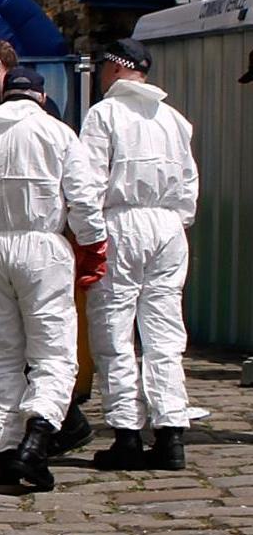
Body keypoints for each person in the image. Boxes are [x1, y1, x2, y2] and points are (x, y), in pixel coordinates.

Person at [0, 67, 107, 492]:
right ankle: (39, 433)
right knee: (53, 349)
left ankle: (7, 448)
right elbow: (84, 199)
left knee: (0, 351)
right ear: (42, 98)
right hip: (42, 248)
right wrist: (93, 249)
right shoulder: (58, 134)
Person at [80, 37, 199, 470]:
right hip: (168, 227)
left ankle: (127, 434)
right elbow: (188, 188)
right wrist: (172, 222)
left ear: (112, 68)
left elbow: (89, 180)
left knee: (114, 329)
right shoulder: (174, 120)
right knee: (164, 332)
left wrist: (90, 236)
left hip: (122, 223)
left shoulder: (104, 114)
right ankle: (171, 434)